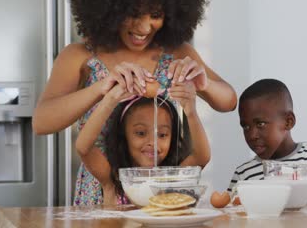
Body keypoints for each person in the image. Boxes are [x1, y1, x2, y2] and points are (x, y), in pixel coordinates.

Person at [32, 0, 236, 205]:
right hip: (103, 186)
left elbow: (229, 101)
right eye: (134, 13)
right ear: (110, 7)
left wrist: (205, 84)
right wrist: (101, 89)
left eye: (156, 15)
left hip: (159, 184)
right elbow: (42, 122)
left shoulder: (178, 52)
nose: (144, 27)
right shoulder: (80, 55)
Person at [75, 81, 209, 205]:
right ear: (123, 135)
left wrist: (191, 112)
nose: (153, 142)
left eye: (162, 135)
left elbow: (201, 157)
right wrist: (109, 100)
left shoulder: (172, 178)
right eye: (140, 133)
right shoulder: (113, 177)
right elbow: (83, 148)